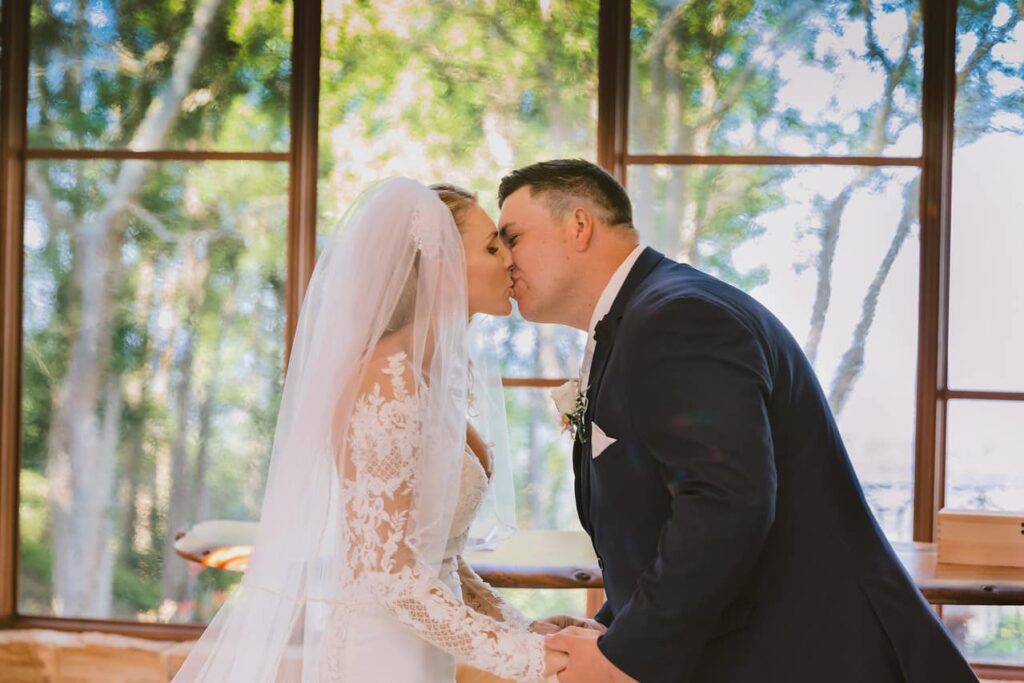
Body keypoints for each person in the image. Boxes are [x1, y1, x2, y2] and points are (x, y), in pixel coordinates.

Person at [498, 159, 979, 683]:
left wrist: (624, 657)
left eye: (513, 237)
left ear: (579, 225)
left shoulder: (677, 318)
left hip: (817, 655)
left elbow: (726, 503)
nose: (505, 260)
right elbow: (665, 520)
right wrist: (611, 630)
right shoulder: (646, 315)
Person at [173, 178, 565, 682]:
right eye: (492, 247)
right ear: (442, 265)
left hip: (420, 651)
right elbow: (390, 573)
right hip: (381, 656)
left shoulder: (424, 378)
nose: (508, 260)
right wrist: (525, 660)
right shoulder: (385, 380)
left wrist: (527, 630)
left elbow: (438, 558)